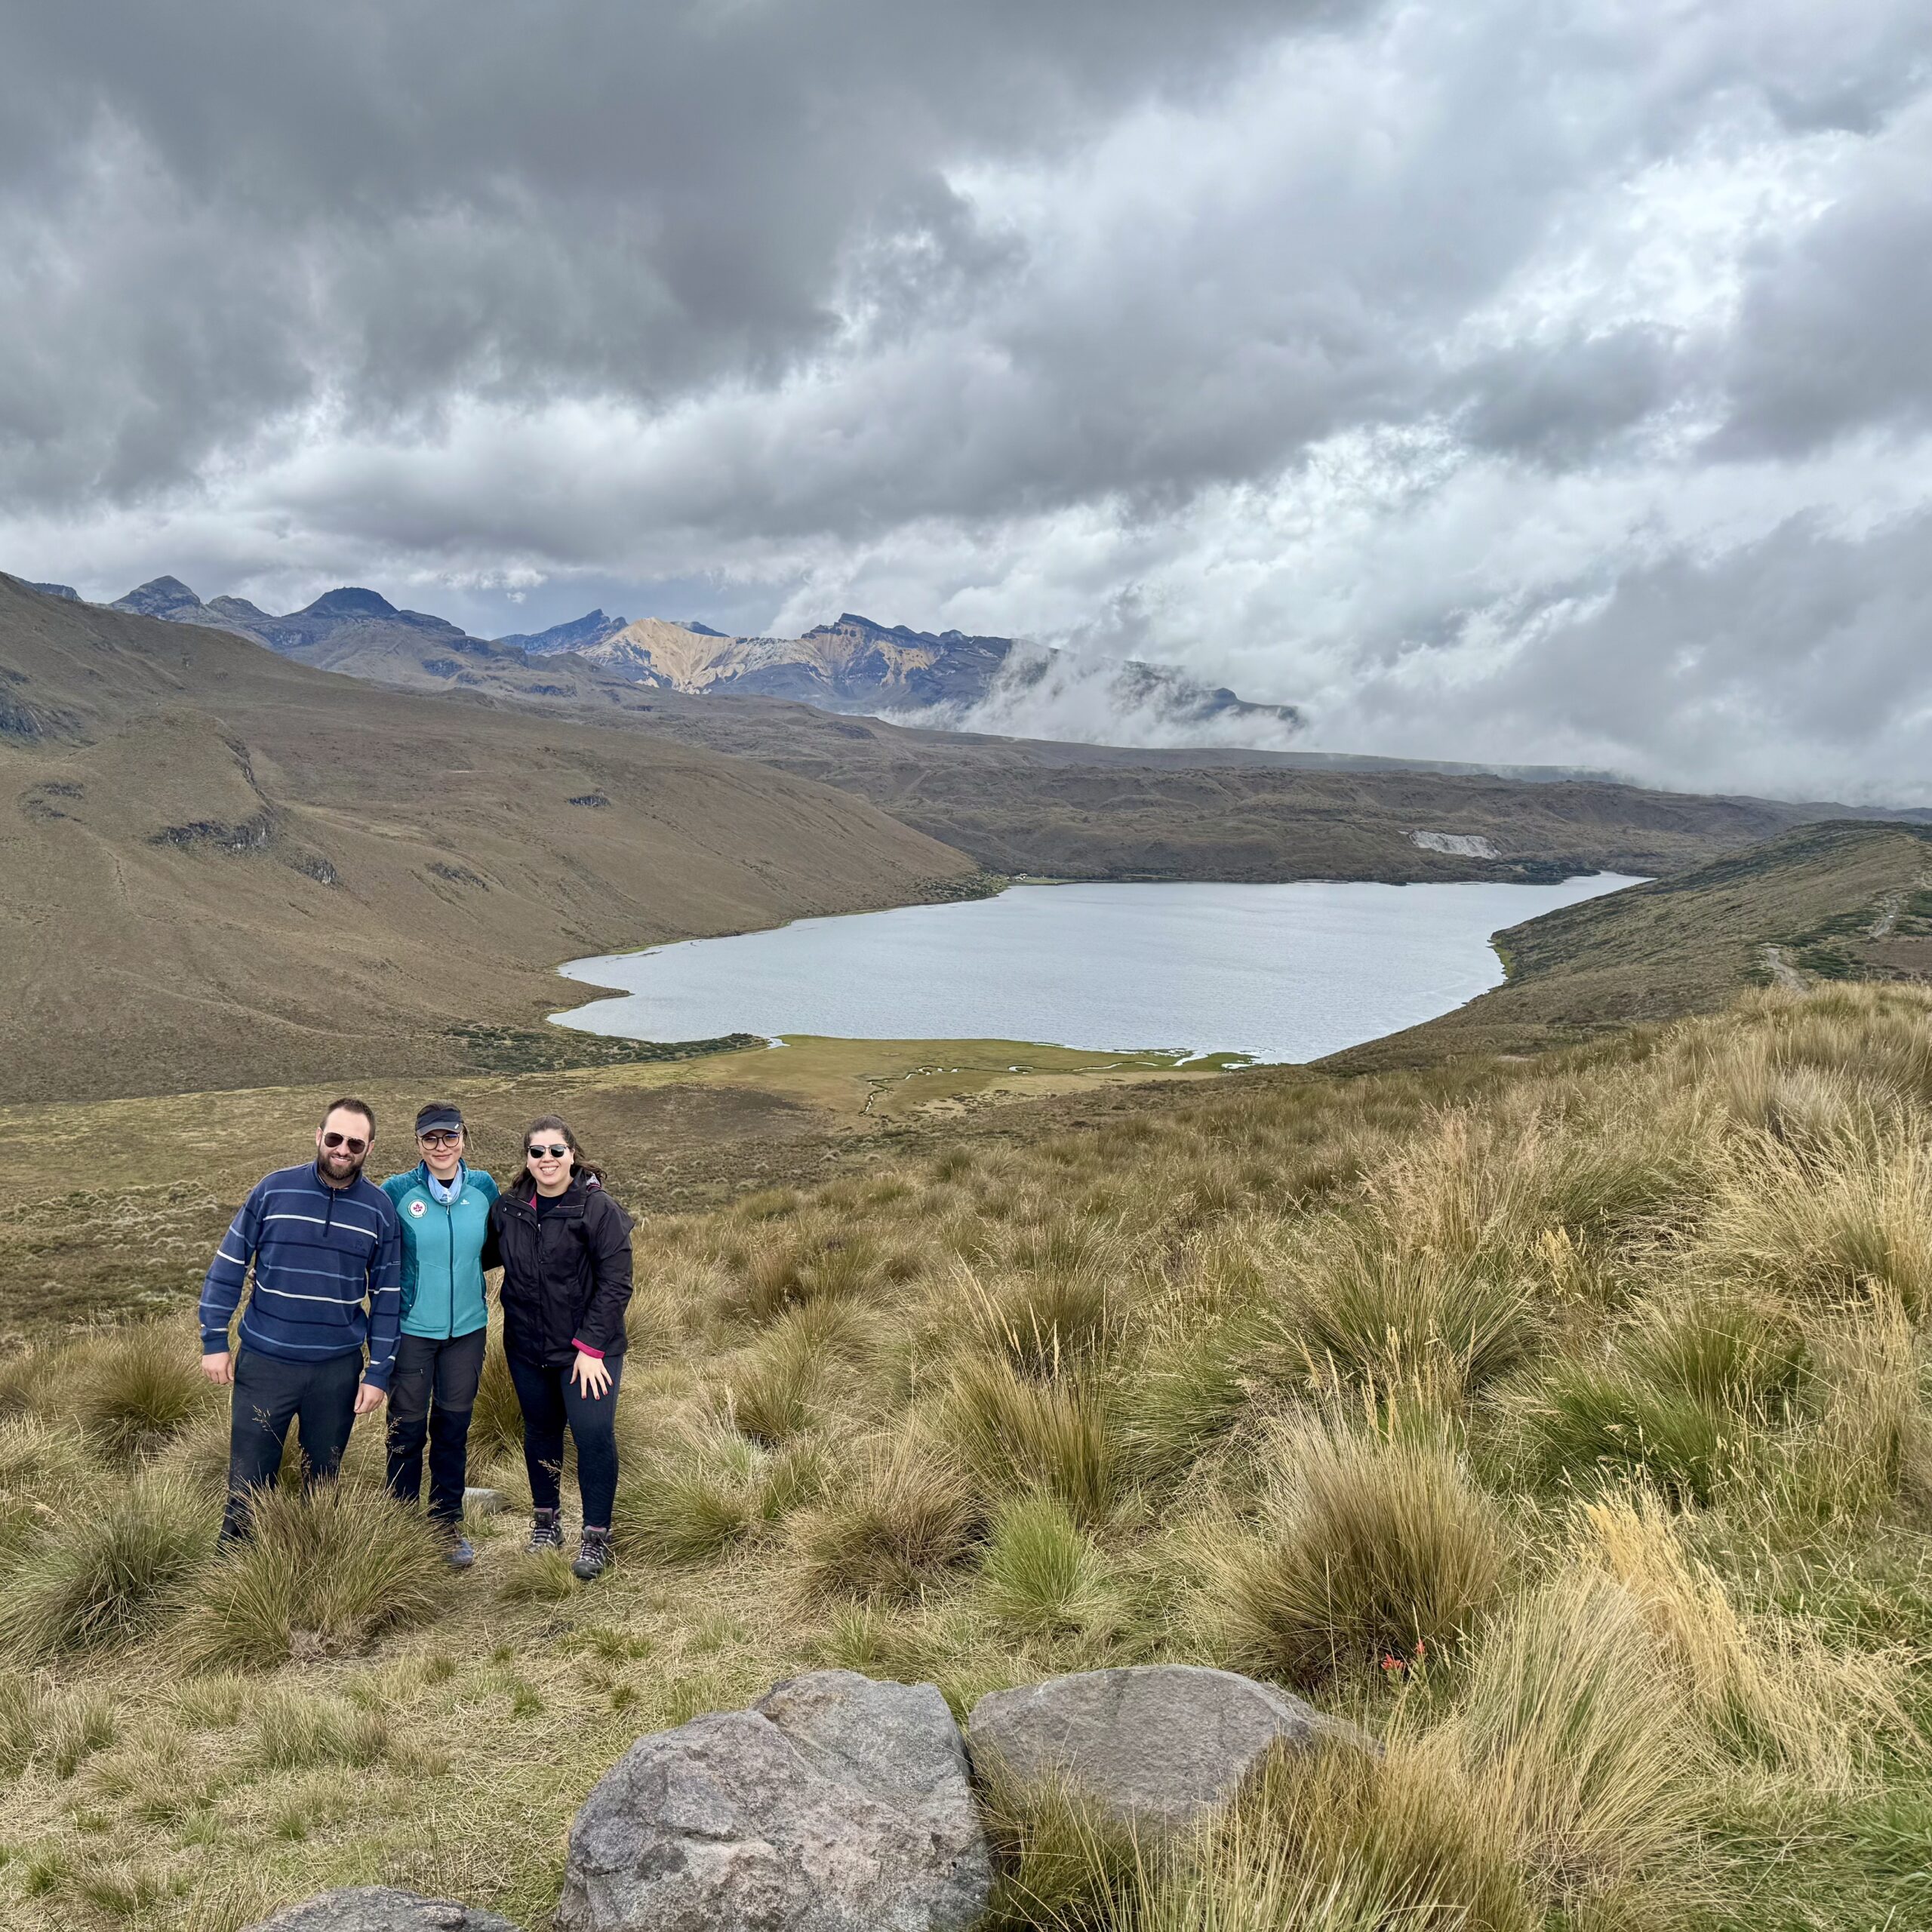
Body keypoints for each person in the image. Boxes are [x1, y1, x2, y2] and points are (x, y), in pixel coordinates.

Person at [199, 1098, 401, 1543]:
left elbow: (387, 1297)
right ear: (318, 1137)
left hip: (337, 1371)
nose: (342, 1149)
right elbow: (229, 1265)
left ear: (370, 1147)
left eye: (355, 1142)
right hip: (265, 1364)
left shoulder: (380, 1210)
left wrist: (379, 1372)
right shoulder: (273, 1190)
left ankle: (311, 1564)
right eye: (334, 1138)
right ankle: (232, 1577)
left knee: (322, 1480)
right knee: (247, 1482)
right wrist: (214, 1340)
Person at [485, 1115, 632, 1580]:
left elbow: (616, 1284)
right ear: (526, 1160)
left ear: (572, 1154)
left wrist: (590, 1349)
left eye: (555, 1151)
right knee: (541, 1432)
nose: (546, 1160)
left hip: (587, 1353)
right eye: (537, 1152)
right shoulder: (509, 1209)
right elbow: (483, 1256)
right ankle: (546, 1522)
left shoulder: (597, 1208)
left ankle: (596, 1536)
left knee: (592, 1436)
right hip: (527, 1346)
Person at [380, 1103, 500, 1567]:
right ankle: (400, 1522)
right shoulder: (396, 1191)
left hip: (468, 1329)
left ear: (463, 1139)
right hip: (412, 1331)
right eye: (430, 1139)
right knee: (405, 1431)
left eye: (449, 1137)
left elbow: (495, 1247)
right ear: (418, 1144)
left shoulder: (484, 1188)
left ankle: (445, 1523)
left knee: (452, 1429)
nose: (441, 1147)